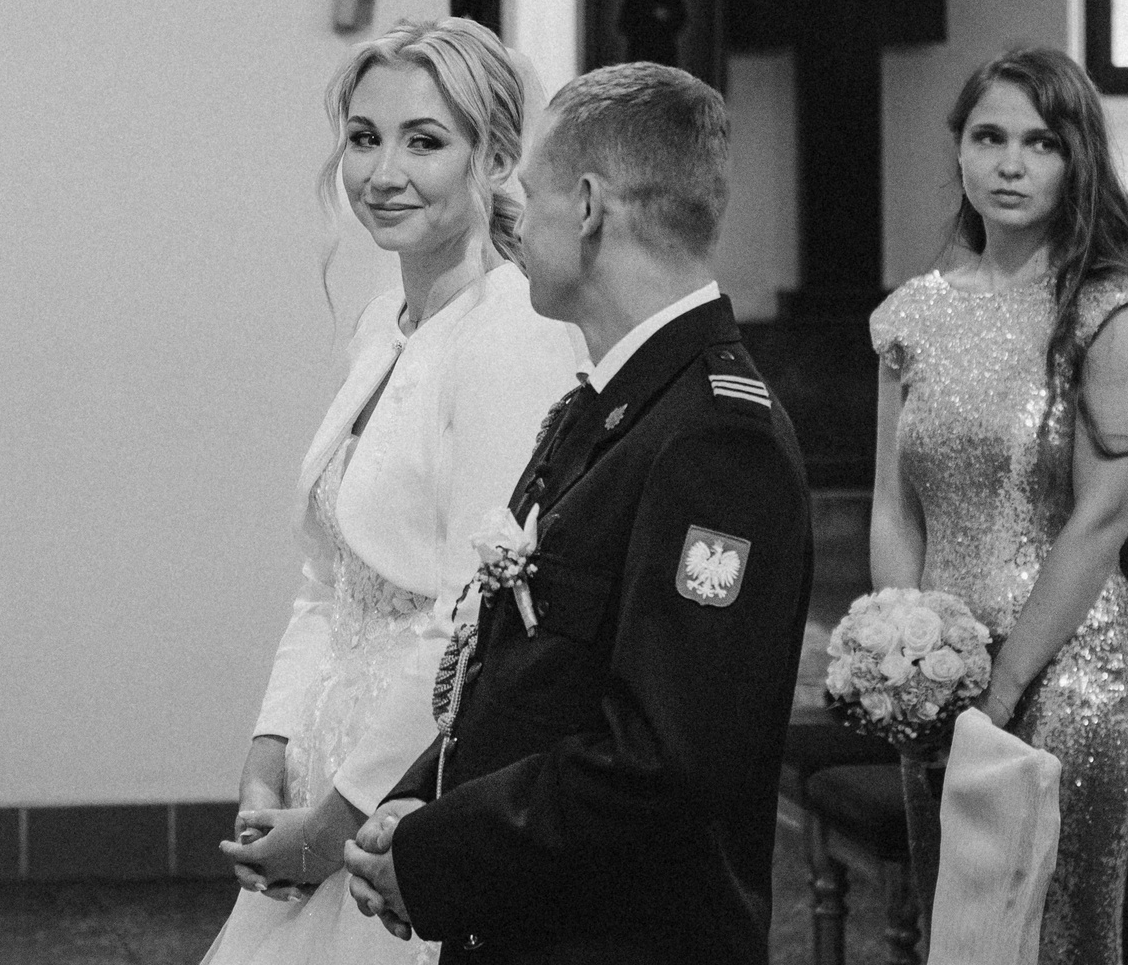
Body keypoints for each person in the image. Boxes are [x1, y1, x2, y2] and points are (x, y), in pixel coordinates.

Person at [343, 62, 814, 964]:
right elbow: (524, 675)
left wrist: (441, 852)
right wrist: (422, 800)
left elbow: (661, 763)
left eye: (529, 194)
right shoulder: (608, 403)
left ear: (589, 206)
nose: (514, 221)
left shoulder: (716, 440)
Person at [202, 18, 585, 965]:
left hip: (411, 787)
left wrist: (335, 825)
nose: (382, 172)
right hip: (324, 762)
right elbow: (328, 579)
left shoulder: (514, 333)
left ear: (494, 157)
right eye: (364, 138)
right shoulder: (384, 323)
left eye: (424, 141)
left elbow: (471, 617)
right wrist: (267, 757)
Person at [868, 47, 1128, 964]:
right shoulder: (912, 314)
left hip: (1069, 673)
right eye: (989, 137)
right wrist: (906, 664)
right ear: (958, 150)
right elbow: (894, 507)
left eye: (1041, 143)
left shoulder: (1109, 310)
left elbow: (1101, 522)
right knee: (959, 933)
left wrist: (999, 690)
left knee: (1060, 939)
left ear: (1077, 161)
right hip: (942, 682)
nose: (1011, 164)